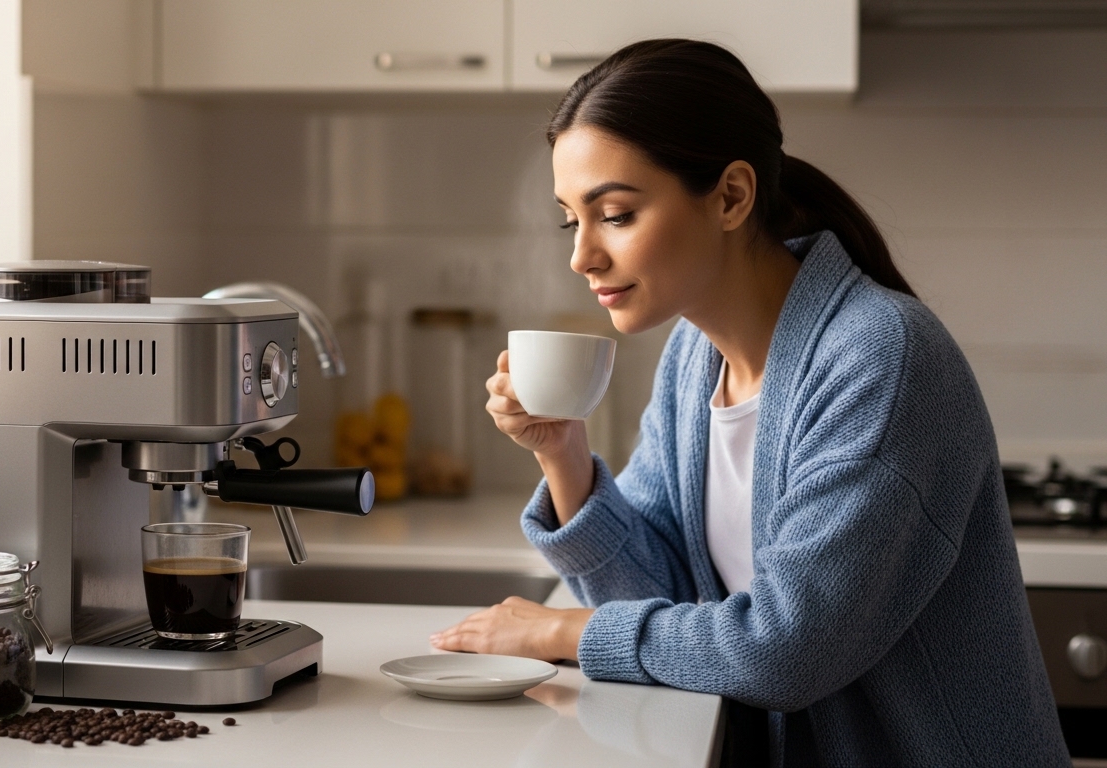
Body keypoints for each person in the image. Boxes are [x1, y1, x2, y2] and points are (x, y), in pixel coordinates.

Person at [429, 39, 1068, 766]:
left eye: (614, 214)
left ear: (731, 196)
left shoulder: (881, 358)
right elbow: (660, 598)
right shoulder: (694, 360)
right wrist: (563, 455)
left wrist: (559, 632)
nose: (582, 257)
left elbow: (785, 650)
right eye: (572, 219)